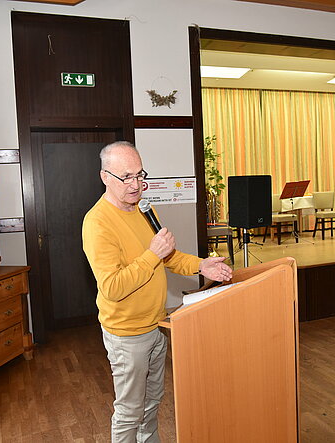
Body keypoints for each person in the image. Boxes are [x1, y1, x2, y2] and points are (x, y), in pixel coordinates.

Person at [82, 141, 233, 443]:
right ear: (105, 177)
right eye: (127, 177)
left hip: (157, 325)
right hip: (127, 335)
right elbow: (113, 287)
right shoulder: (97, 223)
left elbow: (168, 257)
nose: (136, 185)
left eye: (140, 175)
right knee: (129, 412)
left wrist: (202, 265)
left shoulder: (144, 209)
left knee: (151, 404)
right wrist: (153, 254)